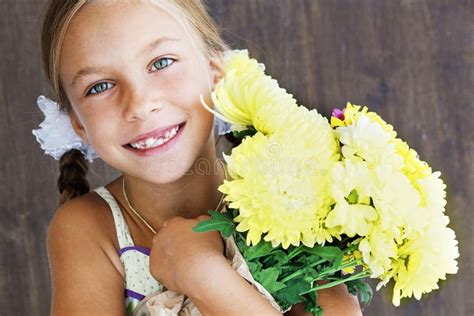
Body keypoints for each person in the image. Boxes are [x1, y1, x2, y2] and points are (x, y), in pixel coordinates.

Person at [38, 0, 362, 315]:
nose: (139, 104)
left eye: (161, 63)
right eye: (100, 86)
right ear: (77, 122)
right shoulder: (88, 229)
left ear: (215, 72)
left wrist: (203, 275)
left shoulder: (298, 200)